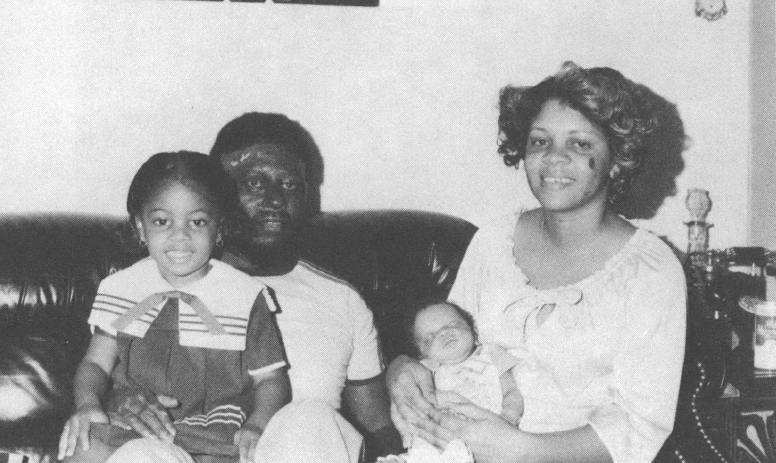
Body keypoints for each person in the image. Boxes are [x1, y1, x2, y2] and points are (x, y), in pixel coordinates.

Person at [387, 61, 687, 463]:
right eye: (539, 142)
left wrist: (519, 449)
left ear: (618, 159)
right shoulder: (493, 242)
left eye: (580, 144)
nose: (553, 159)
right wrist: (402, 368)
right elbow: (449, 345)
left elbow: (639, 425)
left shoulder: (651, 269)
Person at [100, 113, 403, 463]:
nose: (275, 199)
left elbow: (379, 428)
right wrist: (117, 398)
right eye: (256, 183)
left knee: (310, 417)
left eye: (290, 185)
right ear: (217, 194)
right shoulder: (153, 284)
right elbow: (94, 379)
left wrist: (408, 365)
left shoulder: (342, 300)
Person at [57, 151, 291, 463]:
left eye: (197, 221)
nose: (179, 235)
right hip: (132, 425)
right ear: (141, 228)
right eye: (162, 221)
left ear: (219, 229)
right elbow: (96, 364)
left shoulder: (244, 295)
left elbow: (270, 380)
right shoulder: (120, 288)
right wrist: (87, 404)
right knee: (80, 448)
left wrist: (257, 425)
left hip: (218, 433)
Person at [380, 300, 522, 463]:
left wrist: (509, 419)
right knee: (425, 451)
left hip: (488, 431)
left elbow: (511, 391)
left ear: (474, 331)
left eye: (452, 324)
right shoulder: (426, 371)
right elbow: (408, 404)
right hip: (441, 434)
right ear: (422, 354)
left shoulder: (493, 354)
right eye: (429, 337)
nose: (443, 333)